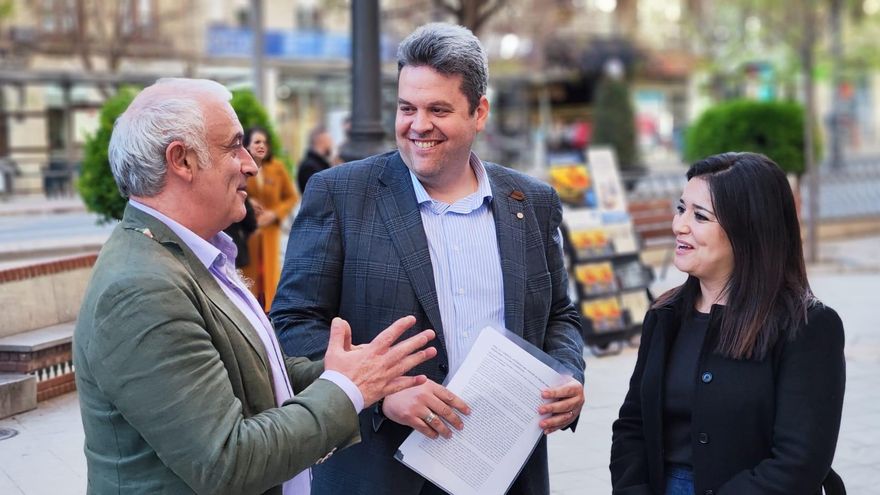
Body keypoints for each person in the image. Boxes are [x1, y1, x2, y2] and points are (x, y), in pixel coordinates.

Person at [73, 78, 439, 495]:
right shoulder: (140, 288)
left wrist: (357, 373)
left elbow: (262, 376)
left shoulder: (188, 256)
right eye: (233, 146)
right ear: (182, 160)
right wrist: (349, 388)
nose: (250, 163)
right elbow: (227, 461)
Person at [271, 23, 586, 495]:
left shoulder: (532, 202)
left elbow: (560, 314)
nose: (418, 125)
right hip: (379, 472)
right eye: (407, 108)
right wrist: (377, 393)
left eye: (438, 109)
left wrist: (568, 374)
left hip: (503, 470)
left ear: (479, 112)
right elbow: (293, 325)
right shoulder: (340, 194)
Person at [610, 152, 846, 495]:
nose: (680, 225)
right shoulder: (665, 315)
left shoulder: (807, 327)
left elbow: (799, 462)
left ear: (747, 229)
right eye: (681, 209)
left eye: (700, 216)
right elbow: (632, 425)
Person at [241, 126, 298, 312]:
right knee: (249, 277)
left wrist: (274, 214)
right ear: (247, 145)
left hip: (271, 232)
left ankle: (270, 314)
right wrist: (248, 203)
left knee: (270, 276)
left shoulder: (277, 168)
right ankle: (250, 312)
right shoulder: (241, 167)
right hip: (248, 232)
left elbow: (291, 197)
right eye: (257, 142)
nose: (262, 146)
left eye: (265, 142)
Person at [296, 125, 335, 194]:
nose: (332, 144)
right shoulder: (309, 167)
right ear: (322, 141)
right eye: (330, 140)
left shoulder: (319, 164)